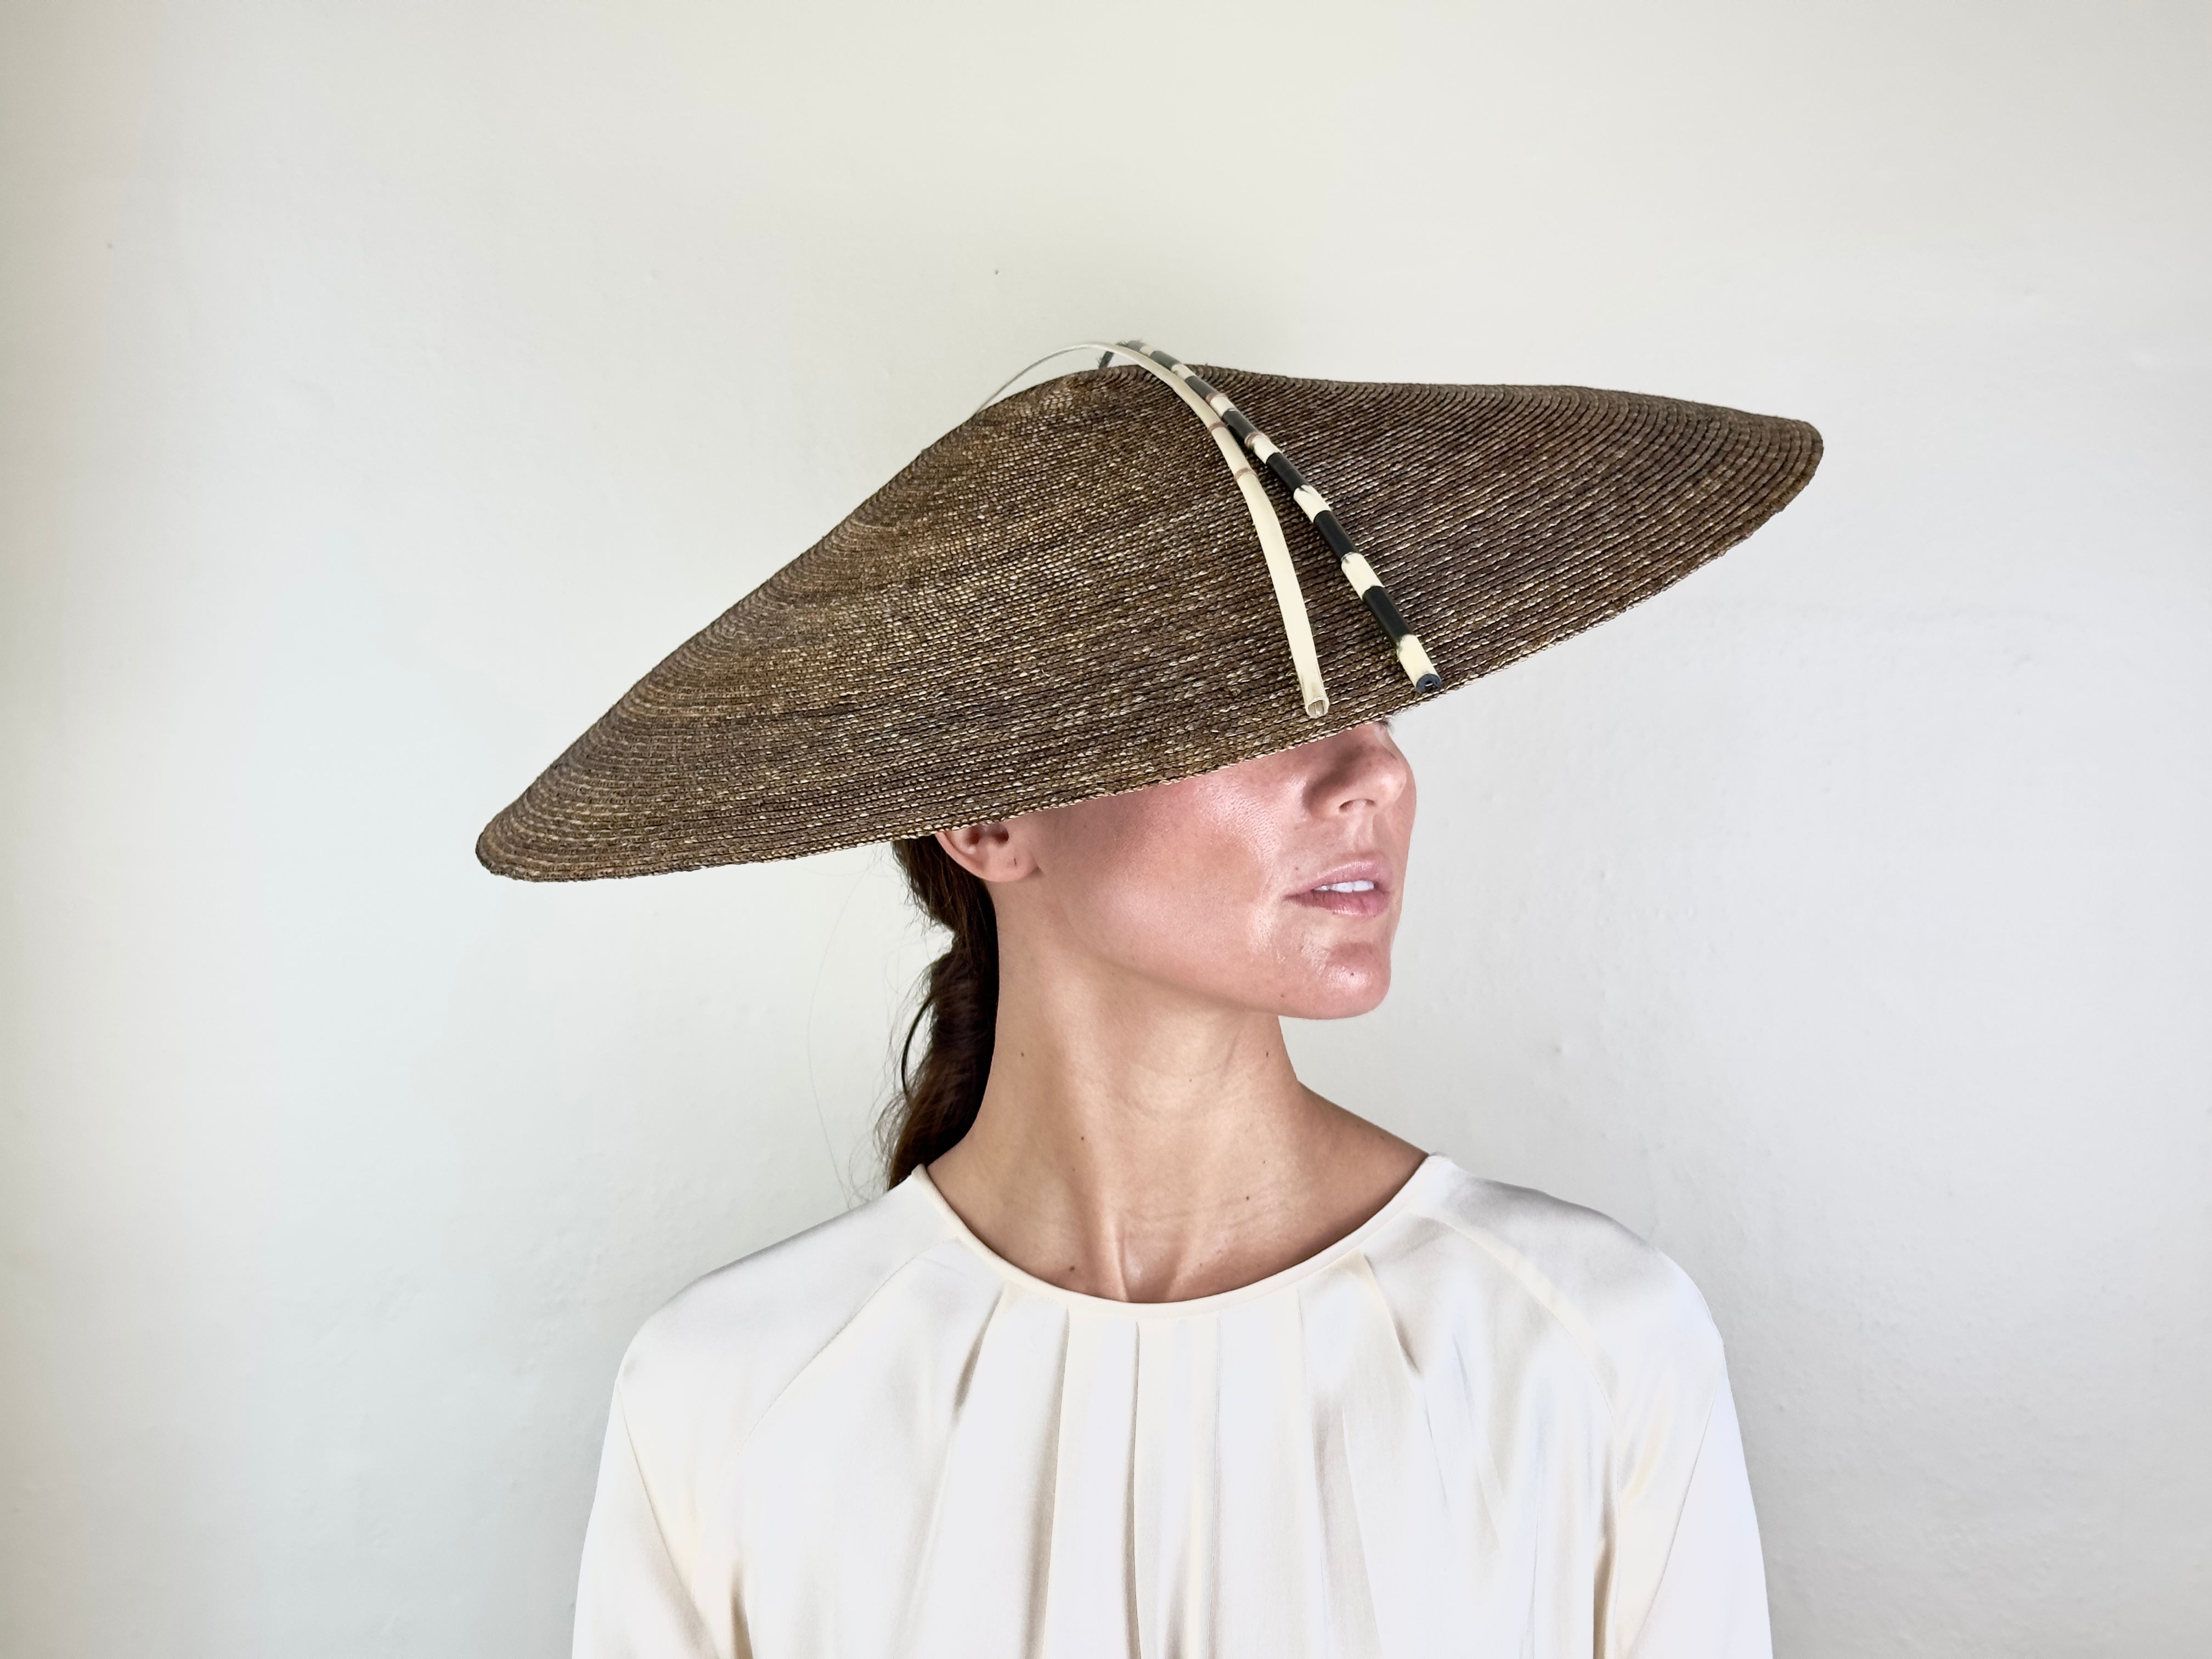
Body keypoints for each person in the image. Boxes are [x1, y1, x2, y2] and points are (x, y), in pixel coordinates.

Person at [478, 341, 1821, 1657]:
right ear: (988, 818)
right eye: (1251, 713)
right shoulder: (729, 1399)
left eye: (1378, 704)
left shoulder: (1585, 1349)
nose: (1375, 776)